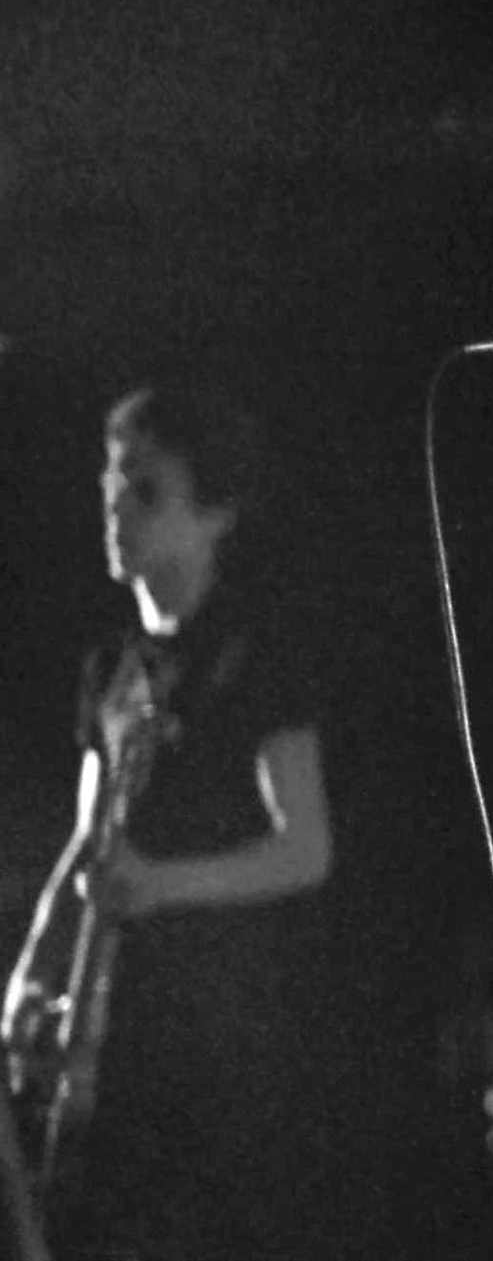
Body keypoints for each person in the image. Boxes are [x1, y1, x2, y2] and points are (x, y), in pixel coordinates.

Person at [1, 376, 338, 1260]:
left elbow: (306, 847)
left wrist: (162, 884)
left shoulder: (256, 653)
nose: (117, 506)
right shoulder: (109, 665)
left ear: (216, 512)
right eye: (112, 482)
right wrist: (33, 966)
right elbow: (90, 842)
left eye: (146, 489)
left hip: (223, 1030)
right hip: (119, 1029)